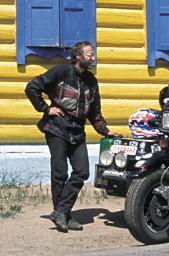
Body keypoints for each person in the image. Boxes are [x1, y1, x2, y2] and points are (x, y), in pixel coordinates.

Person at [25, 41, 122, 232]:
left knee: (82, 171)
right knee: (59, 173)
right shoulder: (61, 71)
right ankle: (64, 214)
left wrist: (105, 130)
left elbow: (94, 112)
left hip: (77, 132)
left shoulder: (92, 81)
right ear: (78, 56)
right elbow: (32, 87)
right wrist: (45, 108)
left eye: (92, 54)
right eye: (89, 54)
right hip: (56, 129)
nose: (92, 57)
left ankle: (61, 211)